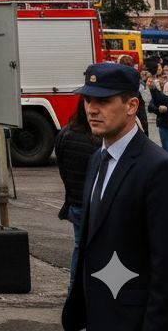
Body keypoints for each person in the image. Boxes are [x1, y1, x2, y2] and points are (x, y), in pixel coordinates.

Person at [62, 62, 168, 331]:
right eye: (88, 99)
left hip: (131, 319)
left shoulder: (157, 167)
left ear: (132, 106)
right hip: (96, 316)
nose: (91, 109)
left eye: (103, 100)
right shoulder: (97, 159)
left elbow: (166, 265)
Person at [55, 94, 100, 290]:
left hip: (74, 203)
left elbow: (62, 167)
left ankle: (74, 290)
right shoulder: (96, 140)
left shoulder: (65, 133)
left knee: (79, 247)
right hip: (93, 206)